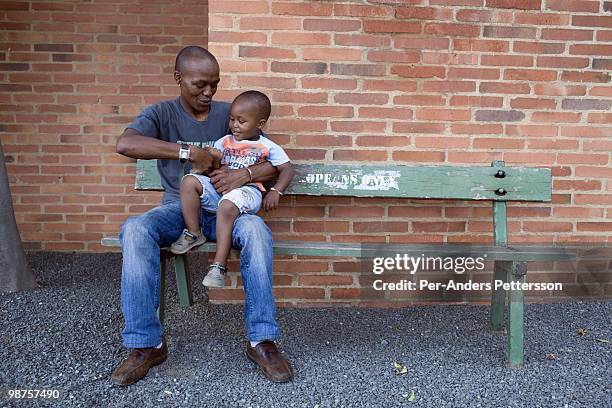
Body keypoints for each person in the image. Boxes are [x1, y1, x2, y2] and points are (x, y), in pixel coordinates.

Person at [110, 46, 293, 386]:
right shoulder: (161, 114)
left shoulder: (231, 112)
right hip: (180, 212)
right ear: (179, 78)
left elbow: (273, 159)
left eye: (215, 84)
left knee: (256, 232)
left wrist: (246, 175)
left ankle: (262, 341)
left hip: (232, 209)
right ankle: (146, 345)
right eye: (200, 85)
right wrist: (186, 151)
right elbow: (126, 143)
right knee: (135, 229)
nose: (209, 93)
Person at [169, 90, 294, 289]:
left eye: (241, 121)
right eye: (232, 119)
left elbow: (286, 168)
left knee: (227, 205)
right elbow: (213, 168)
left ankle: (219, 266)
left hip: (248, 192)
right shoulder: (224, 142)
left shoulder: (267, 146)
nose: (234, 125)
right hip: (221, 191)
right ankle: (194, 232)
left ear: (259, 124)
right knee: (189, 181)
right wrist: (215, 160)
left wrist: (276, 191)